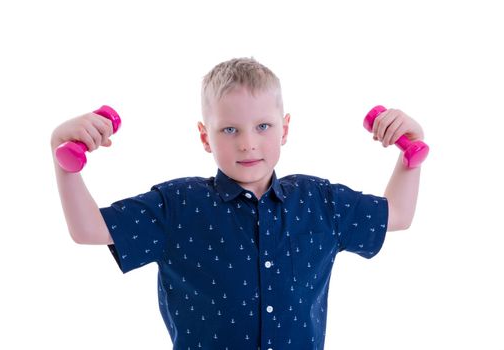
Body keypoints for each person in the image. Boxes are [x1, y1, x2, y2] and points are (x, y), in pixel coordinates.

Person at [51, 57, 424, 349]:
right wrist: (62, 158)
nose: (248, 143)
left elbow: (399, 215)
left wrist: (412, 146)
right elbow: (87, 229)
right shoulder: (177, 206)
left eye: (263, 126)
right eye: (230, 129)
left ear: (285, 128)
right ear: (205, 136)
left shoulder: (319, 202)